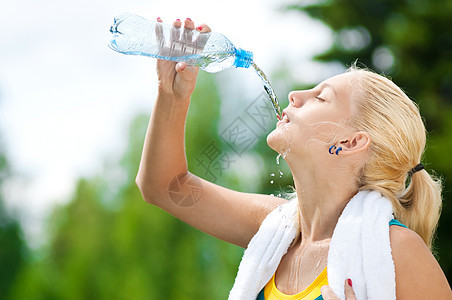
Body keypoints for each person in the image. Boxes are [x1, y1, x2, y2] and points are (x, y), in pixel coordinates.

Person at [135, 18, 452, 299]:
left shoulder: (400, 252)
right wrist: (171, 94)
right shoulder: (275, 228)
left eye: (321, 96)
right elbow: (165, 186)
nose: (295, 96)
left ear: (351, 141)